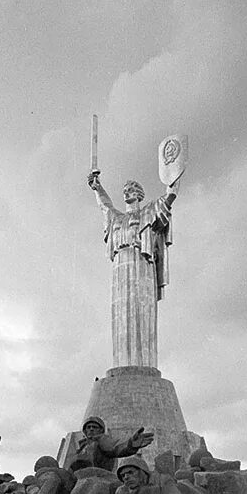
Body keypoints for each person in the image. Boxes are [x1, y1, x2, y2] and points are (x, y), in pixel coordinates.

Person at [87, 172, 179, 368]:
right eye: (125, 190)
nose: (127, 192)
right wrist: (97, 187)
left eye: (131, 189)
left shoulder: (148, 212)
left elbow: (168, 199)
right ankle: (123, 365)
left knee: (141, 312)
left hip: (142, 266)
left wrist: (173, 177)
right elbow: (105, 206)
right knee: (122, 318)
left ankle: (145, 366)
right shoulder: (117, 219)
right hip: (120, 270)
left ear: (139, 194)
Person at [70, 416, 154, 472]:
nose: (91, 429)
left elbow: (116, 448)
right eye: (88, 427)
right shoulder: (80, 448)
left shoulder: (102, 440)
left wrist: (131, 444)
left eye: (94, 427)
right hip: (77, 476)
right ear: (85, 431)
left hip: (97, 476)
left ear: (101, 430)